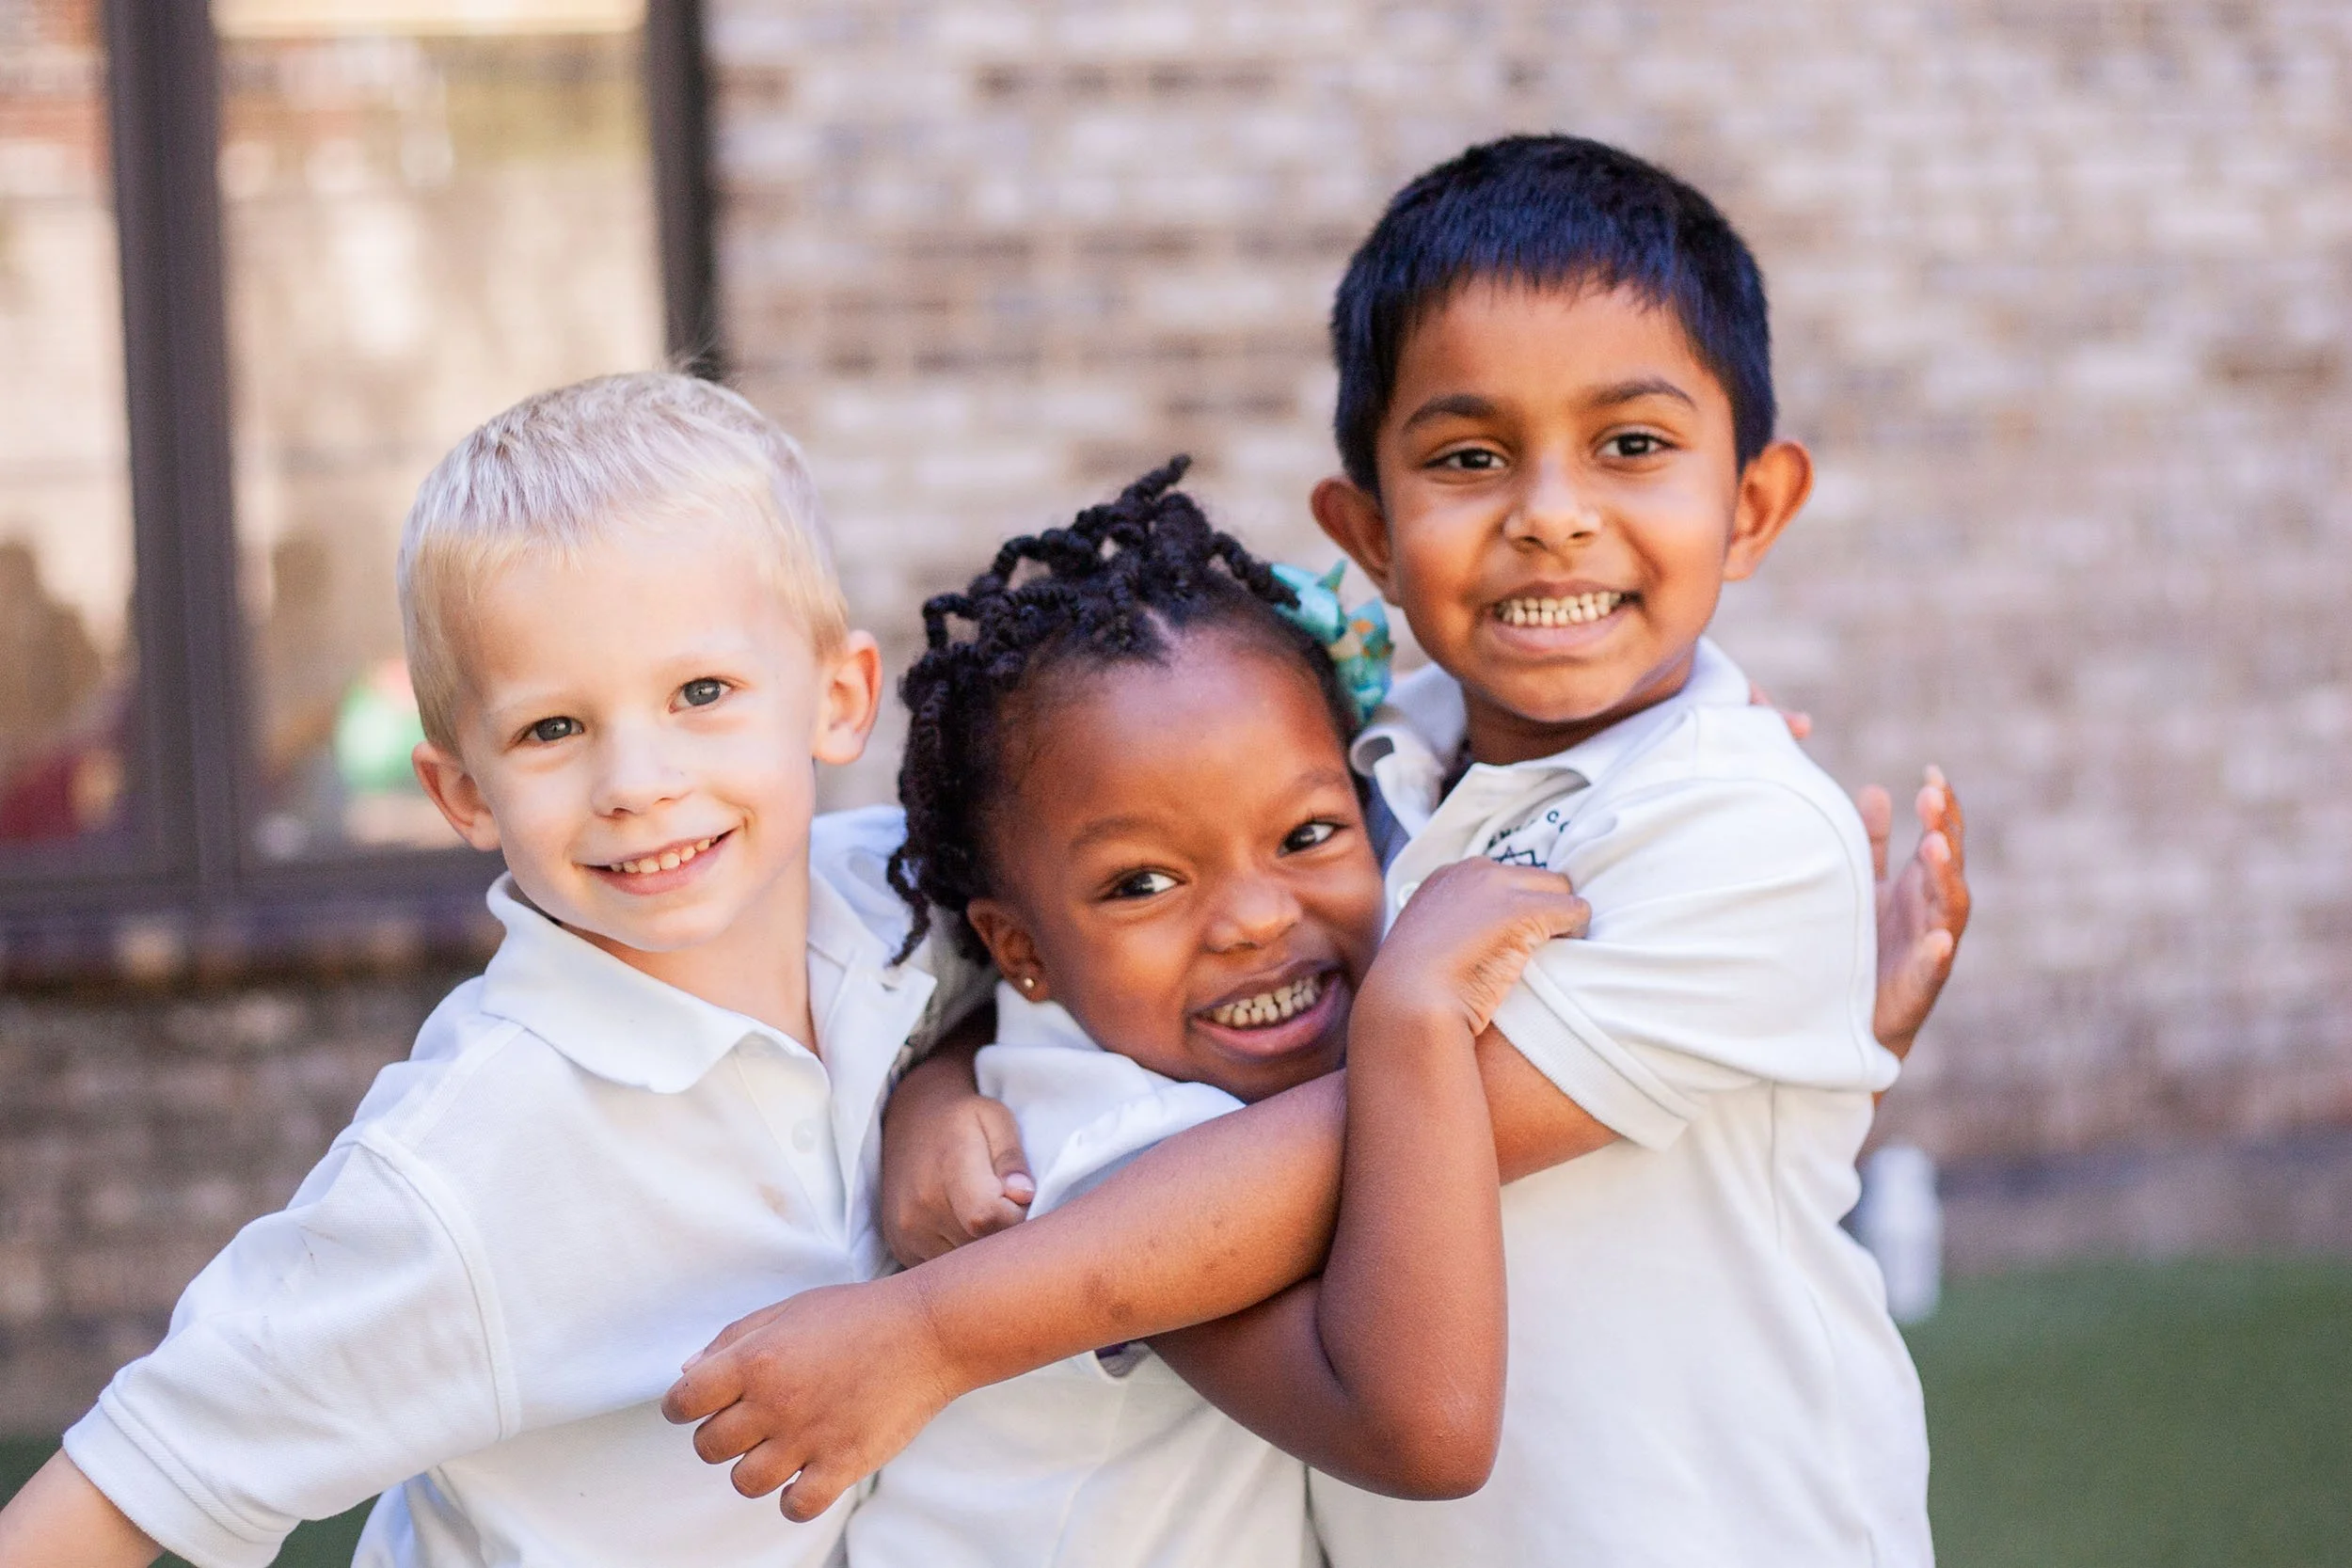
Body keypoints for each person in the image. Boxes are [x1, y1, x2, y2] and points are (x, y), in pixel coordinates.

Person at [665, 135, 1963, 1568]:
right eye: (1470, 457)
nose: (1551, 511)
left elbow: (1339, 1146)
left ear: (1755, 505)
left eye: (1633, 445)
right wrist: (945, 1083)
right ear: (1372, 536)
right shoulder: (1359, 765)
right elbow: (1071, 920)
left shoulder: (1744, 828)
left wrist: (932, 1328)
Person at [0, 372, 973, 1568]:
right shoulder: (466, 1158)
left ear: (839, 699)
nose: (637, 778)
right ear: (464, 790)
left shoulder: (915, 899)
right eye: (551, 728)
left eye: (701, 692)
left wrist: (948, 1083)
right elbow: (126, 1480)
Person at [834, 467, 1581, 1566]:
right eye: (1142, 883)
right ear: (1022, 949)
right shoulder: (1092, 1154)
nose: (1252, 918)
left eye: (1307, 835)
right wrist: (1412, 1020)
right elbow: (1422, 1428)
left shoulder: (1102, 1048)